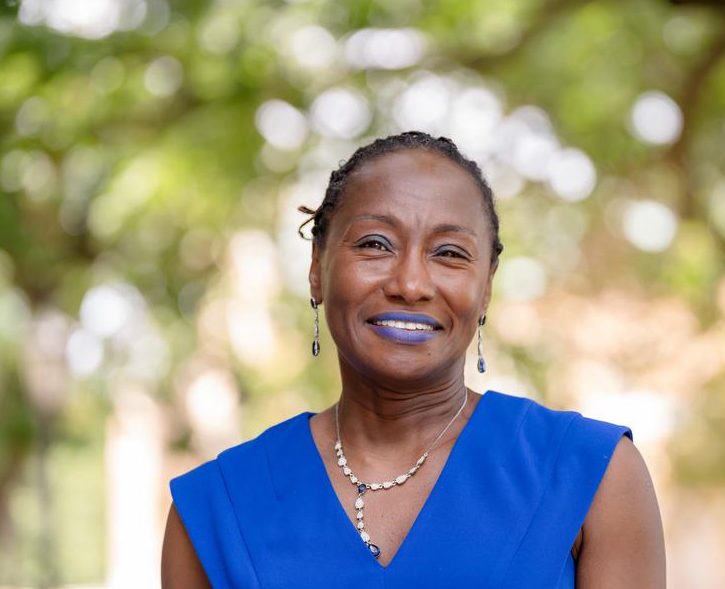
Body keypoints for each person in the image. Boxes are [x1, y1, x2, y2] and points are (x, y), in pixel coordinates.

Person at [161, 131, 665, 588]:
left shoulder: (592, 475)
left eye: (449, 253)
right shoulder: (216, 509)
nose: (410, 284)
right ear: (317, 268)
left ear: (486, 287)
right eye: (375, 244)